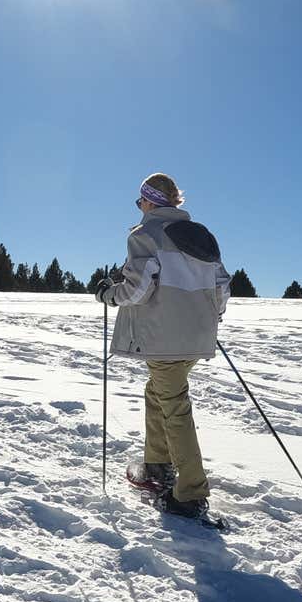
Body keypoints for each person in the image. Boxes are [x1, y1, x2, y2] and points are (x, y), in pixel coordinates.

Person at [99, 173, 230, 520]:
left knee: (174, 406)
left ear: (148, 200)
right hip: (196, 337)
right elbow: (221, 286)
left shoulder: (145, 235)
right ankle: (157, 464)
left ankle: (189, 493)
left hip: (163, 339)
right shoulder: (201, 235)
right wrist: (206, 318)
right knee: (158, 392)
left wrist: (109, 294)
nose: (138, 206)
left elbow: (138, 289)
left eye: (139, 200)